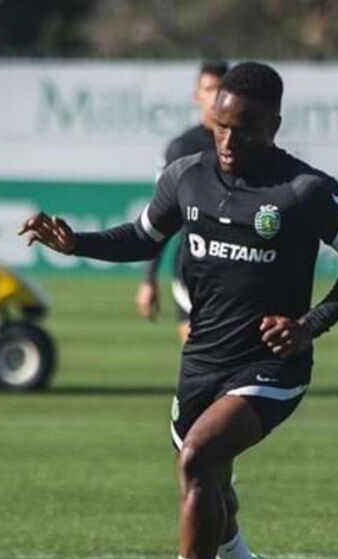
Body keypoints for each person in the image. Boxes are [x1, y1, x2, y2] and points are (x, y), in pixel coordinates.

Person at [19, 62, 338, 559]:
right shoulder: (186, 177)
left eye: (243, 129)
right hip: (201, 361)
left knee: (199, 458)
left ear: (273, 125)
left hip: (270, 366)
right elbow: (142, 237)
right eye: (220, 126)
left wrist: (309, 325)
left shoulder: (305, 190)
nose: (227, 140)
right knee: (208, 482)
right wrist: (76, 242)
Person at [136, 60, 228, 345]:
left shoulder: (249, 144)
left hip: (239, 266)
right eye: (208, 89)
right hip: (194, 266)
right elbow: (161, 215)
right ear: (196, 95)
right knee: (198, 356)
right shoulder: (183, 148)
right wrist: (149, 278)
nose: (214, 97)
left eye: (220, 89)